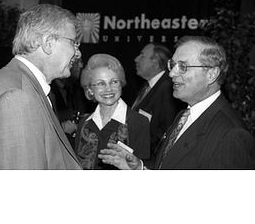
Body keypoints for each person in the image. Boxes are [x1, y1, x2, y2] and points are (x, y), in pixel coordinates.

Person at [99, 35, 255, 169]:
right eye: (172, 65)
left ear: (212, 74)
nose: (172, 73)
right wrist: (139, 168)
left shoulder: (232, 135)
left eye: (183, 66)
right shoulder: (184, 114)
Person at [0, 4, 83, 170]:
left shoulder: (21, 84)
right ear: (48, 43)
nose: (77, 53)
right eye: (73, 43)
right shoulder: (17, 97)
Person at [74, 53, 150, 169]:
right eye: (101, 84)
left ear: (121, 84)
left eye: (114, 82)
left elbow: (142, 168)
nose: (108, 89)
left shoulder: (138, 122)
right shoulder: (84, 124)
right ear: (90, 89)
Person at [131, 42, 184, 155]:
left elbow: (167, 130)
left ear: (154, 62)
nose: (136, 59)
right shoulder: (149, 85)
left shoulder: (168, 87)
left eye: (142, 55)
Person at [51, 57, 96, 148]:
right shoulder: (48, 90)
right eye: (77, 61)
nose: (81, 65)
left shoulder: (82, 89)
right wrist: (61, 127)